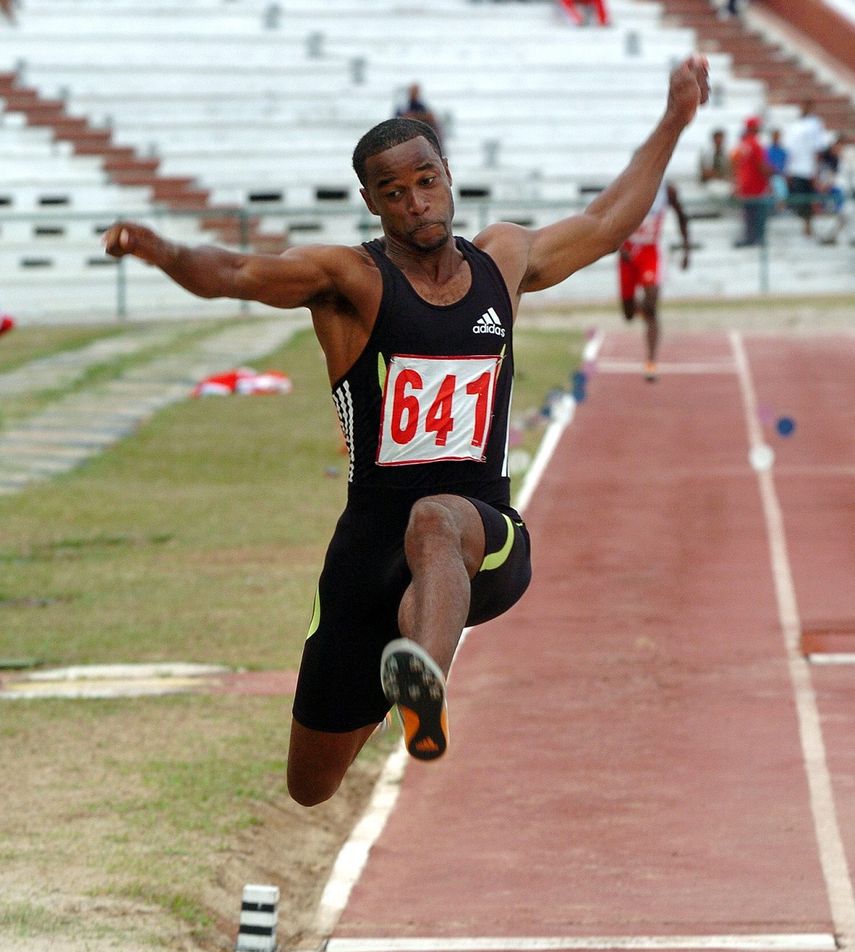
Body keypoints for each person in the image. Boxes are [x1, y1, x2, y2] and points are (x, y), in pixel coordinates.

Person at [103, 55, 709, 807]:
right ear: (371, 203)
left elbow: (606, 221)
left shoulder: (503, 261)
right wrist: (160, 251)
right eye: (394, 193)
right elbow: (233, 271)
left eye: (425, 181)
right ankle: (398, 670)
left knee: (437, 518)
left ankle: (424, 683)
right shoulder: (349, 280)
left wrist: (675, 119)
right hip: (367, 552)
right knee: (310, 785)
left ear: (447, 175)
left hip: (482, 540)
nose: (416, 203)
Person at [617, 179, 691, 382]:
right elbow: (612, 218)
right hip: (628, 251)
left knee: (651, 304)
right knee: (629, 313)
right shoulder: (628, 184)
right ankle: (640, 309)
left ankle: (650, 362)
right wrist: (619, 246)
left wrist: (687, 250)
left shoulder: (667, 189)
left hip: (650, 251)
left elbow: (682, 216)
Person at [785, 100, 828, 238]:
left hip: (809, 169)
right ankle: (805, 225)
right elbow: (791, 150)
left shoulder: (815, 125)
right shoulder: (796, 126)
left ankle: (809, 225)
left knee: (810, 198)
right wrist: (789, 169)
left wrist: (816, 171)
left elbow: (818, 150)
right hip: (797, 168)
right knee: (801, 198)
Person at [731, 115, 772, 247]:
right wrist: (772, 174)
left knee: (749, 213)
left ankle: (749, 237)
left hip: (745, 184)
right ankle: (757, 238)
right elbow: (761, 166)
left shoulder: (743, 144)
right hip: (756, 184)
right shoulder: (755, 144)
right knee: (758, 213)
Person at [395, 83, 444, 152]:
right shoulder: (403, 105)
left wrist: (417, 116)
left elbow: (430, 117)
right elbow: (398, 117)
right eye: (413, 91)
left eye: (416, 91)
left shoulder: (422, 106)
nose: (415, 93)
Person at [698, 127, 732, 201]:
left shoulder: (728, 153)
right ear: (713, 139)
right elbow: (705, 172)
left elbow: (730, 169)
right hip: (711, 182)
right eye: (717, 138)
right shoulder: (706, 153)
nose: (719, 141)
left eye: (721, 138)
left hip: (724, 181)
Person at [765, 127, 789, 211]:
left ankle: (780, 209)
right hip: (770, 176)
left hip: (779, 176)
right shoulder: (767, 150)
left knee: (781, 188)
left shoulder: (783, 151)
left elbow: (785, 165)